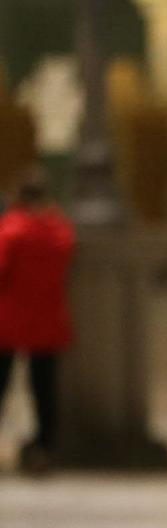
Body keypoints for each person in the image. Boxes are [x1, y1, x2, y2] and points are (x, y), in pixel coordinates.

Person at [0, 175, 75, 473]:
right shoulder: (60, 231)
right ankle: (45, 446)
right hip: (47, 319)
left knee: (1, 384)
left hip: (9, 320)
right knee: (44, 388)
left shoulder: (11, 231)